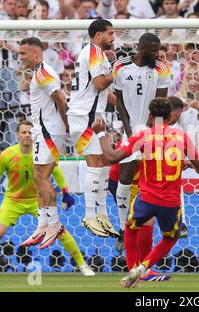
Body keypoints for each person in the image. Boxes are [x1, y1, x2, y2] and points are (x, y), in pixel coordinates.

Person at [92, 97, 199, 288]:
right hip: (170, 201)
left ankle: (133, 270)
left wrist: (100, 134)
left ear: (150, 116)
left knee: (130, 226)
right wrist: (189, 163)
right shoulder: (182, 137)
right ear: (170, 116)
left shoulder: (143, 137)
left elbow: (112, 158)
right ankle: (144, 268)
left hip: (146, 197)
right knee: (170, 237)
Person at [0, 120, 94, 277]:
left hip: (37, 200)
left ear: (34, 135)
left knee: (58, 230)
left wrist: (65, 193)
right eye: (23, 132)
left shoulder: (42, 153)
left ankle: (83, 265)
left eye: (30, 132)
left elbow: (56, 172)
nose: (27, 135)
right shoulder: (7, 154)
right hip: (12, 200)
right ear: (17, 135)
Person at [112, 32, 170, 249]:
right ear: (140, 47)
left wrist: (146, 132)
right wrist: (130, 133)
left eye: (159, 49)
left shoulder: (161, 68)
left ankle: (176, 222)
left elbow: (160, 106)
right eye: (153, 50)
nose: (157, 53)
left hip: (151, 130)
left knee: (163, 176)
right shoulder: (120, 66)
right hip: (130, 130)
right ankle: (121, 228)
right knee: (125, 177)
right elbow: (119, 103)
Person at [67, 19, 119, 238]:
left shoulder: (95, 54)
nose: (113, 37)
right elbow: (100, 84)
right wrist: (118, 68)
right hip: (84, 115)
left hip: (92, 114)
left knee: (104, 162)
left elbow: (104, 93)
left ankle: (102, 214)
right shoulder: (95, 52)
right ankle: (89, 216)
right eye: (110, 33)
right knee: (95, 163)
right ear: (98, 35)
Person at [18, 37, 69, 248]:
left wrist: (66, 124)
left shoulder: (44, 72)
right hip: (43, 130)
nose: (20, 57)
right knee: (38, 177)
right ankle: (42, 225)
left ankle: (55, 225)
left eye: (23, 53)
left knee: (42, 176)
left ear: (35, 54)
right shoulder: (39, 72)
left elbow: (60, 97)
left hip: (49, 131)